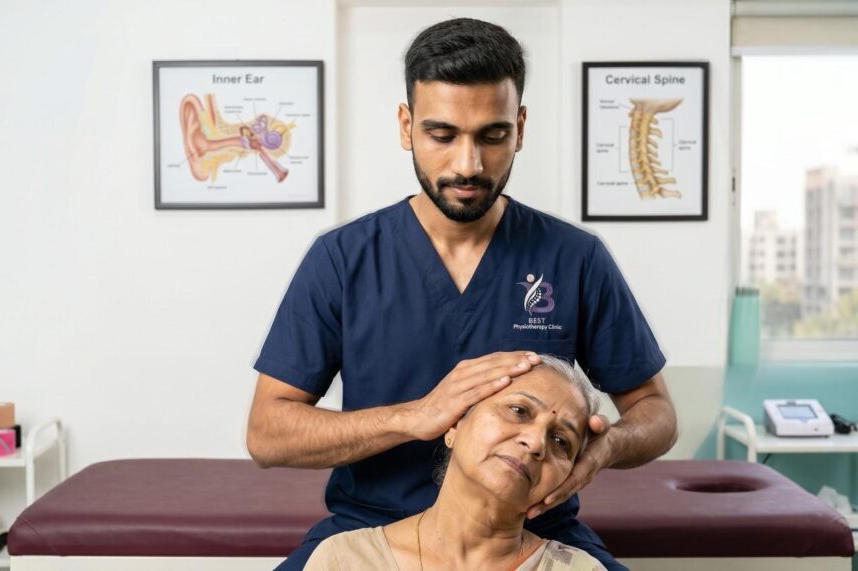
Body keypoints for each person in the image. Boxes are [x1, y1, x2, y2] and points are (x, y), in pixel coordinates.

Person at [247, 17, 677, 571]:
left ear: (520, 127)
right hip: (373, 530)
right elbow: (267, 434)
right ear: (406, 126)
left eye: (492, 135)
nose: (467, 165)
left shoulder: (574, 258)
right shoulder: (344, 259)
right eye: (442, 135)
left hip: (532, 534)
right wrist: (415, 416)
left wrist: (604, 450)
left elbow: (656, 410)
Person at [303, 355, 605, 571]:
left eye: (561, 441)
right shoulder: (344, 559)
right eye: (518, 410)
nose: (537, 442)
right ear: (454, 426)